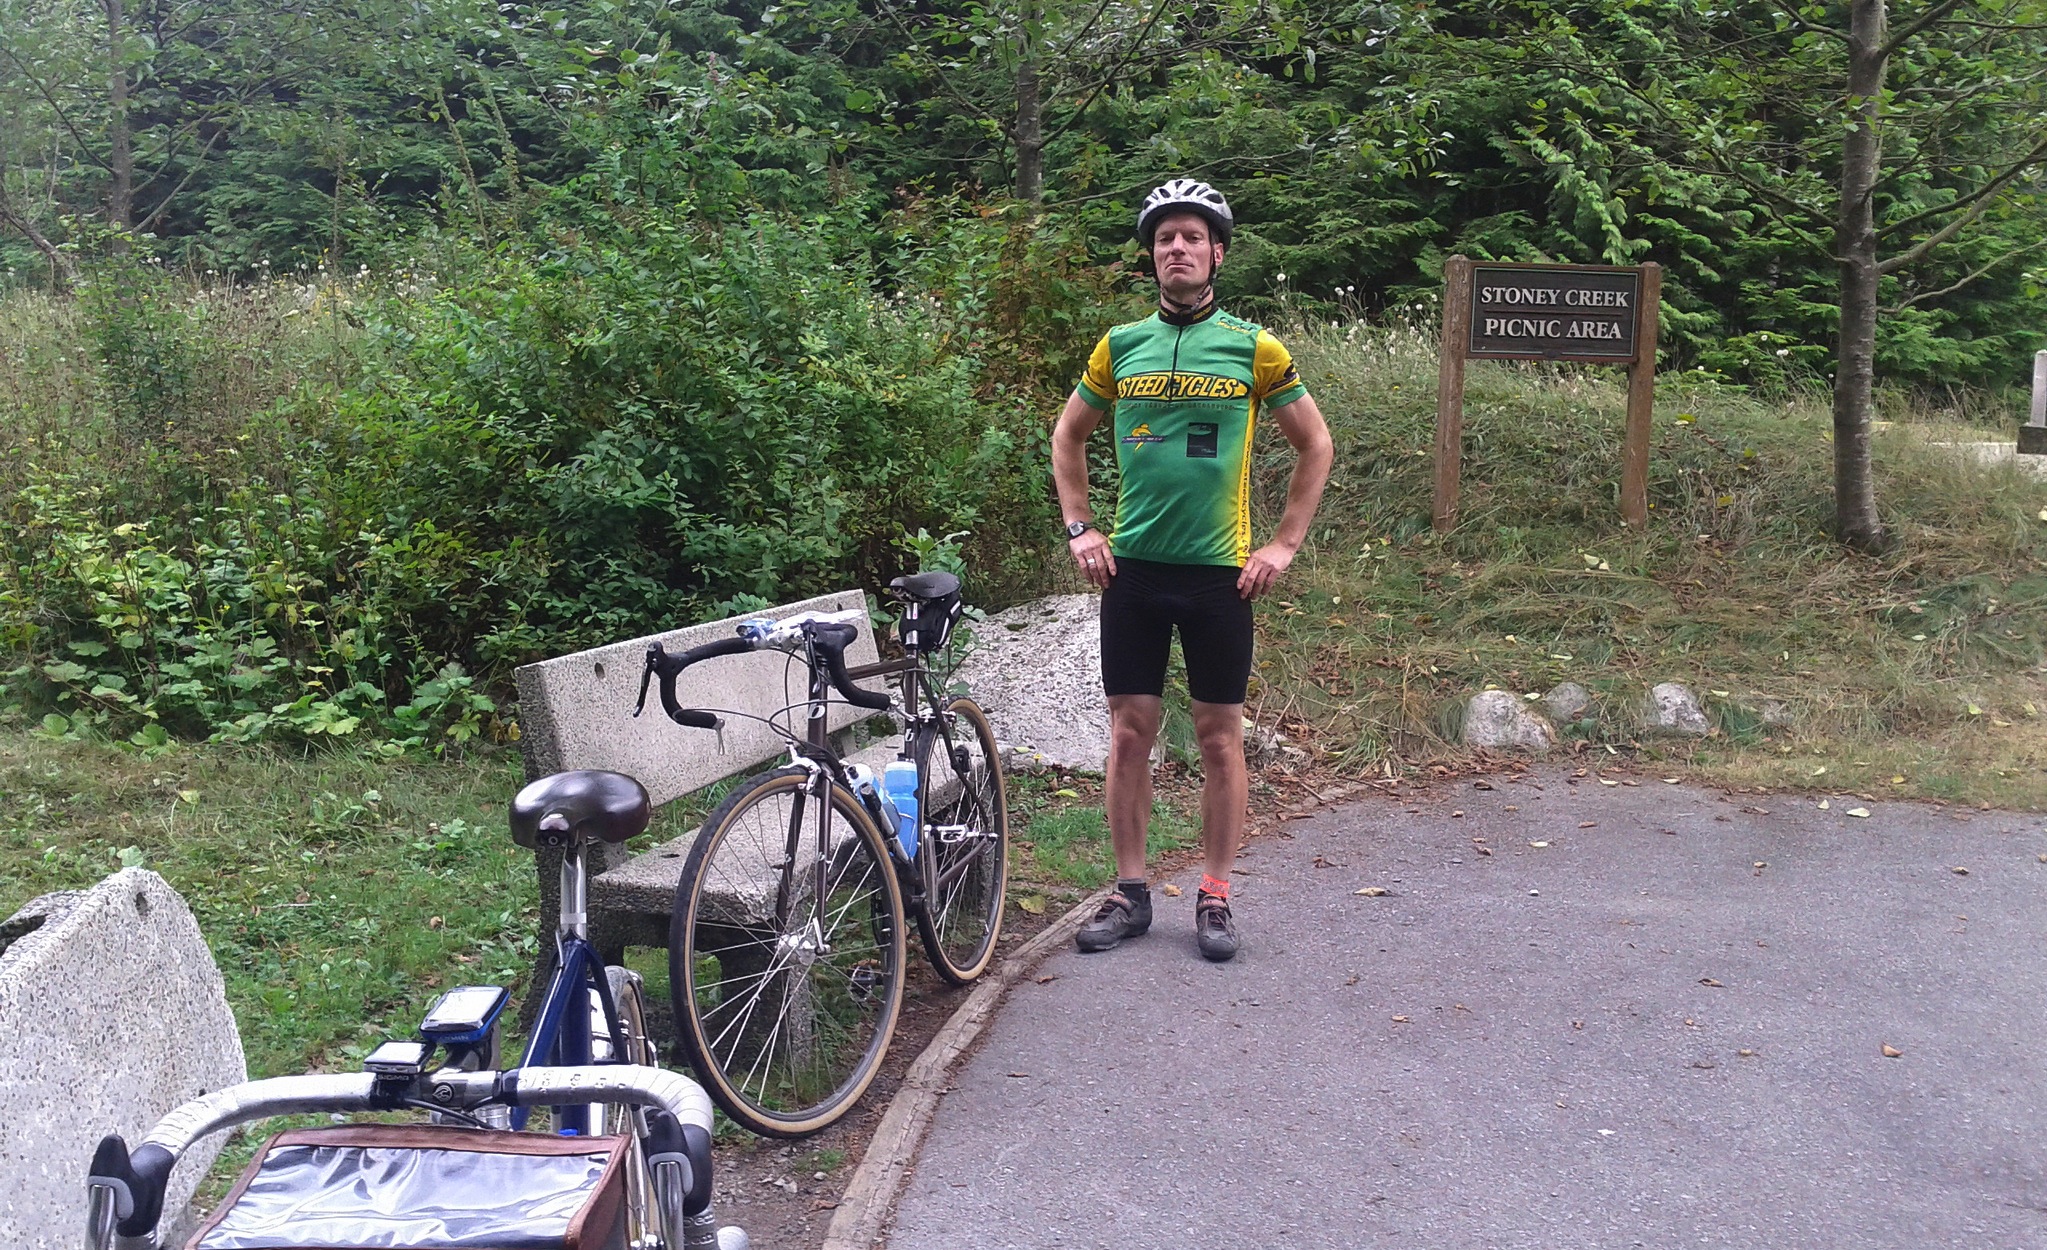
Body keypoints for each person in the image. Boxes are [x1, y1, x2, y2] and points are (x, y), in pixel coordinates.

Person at [1050, 178, 1334, 962]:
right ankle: (1130, 893)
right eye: (1165, 238)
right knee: (1127, 736)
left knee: (1218, 740)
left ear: (1217, 254)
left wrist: (1282, 544)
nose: (1178, 248)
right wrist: (1080, 526)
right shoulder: (1119, 346)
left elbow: (1315, 443)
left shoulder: (1254, 347)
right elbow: (1067, 435)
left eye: (1192, 237)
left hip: (1219, 576)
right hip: (1132, 574)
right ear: (1152, 256)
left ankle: (1214, 894)